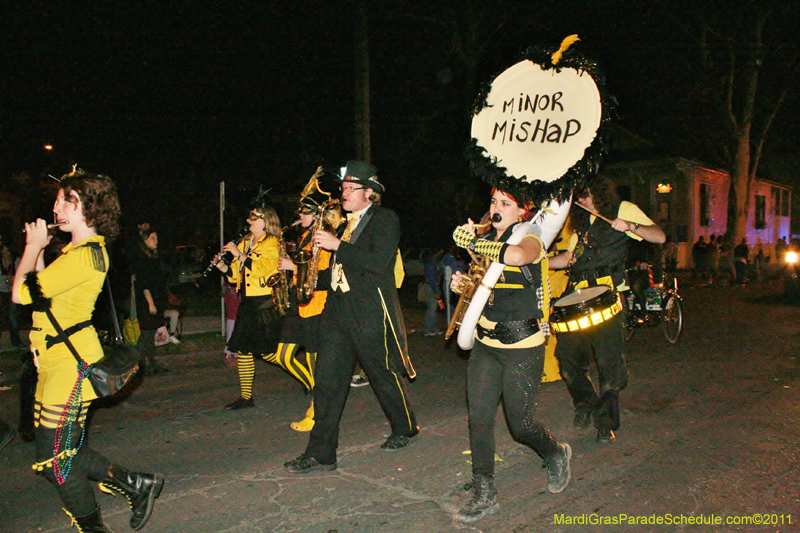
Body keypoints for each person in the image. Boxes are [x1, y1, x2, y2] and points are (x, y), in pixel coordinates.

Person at [12, 170, 163, 532]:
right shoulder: (76, 252)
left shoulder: (86, 255)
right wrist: (43, 250)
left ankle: (94, 527)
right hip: (53, 361)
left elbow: (20, 294)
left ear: (90, 210)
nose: (56, 206)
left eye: (67, 200)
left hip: (71, 366)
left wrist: (32, 246)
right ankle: (135, 484)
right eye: (58, 199)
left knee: (56, 462)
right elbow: (44, 293)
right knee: (62, 453)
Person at [284, 160, 418, 474]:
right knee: (327, 383)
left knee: (381, 375)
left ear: (369, 193)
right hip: (337, 312)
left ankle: (405, 427)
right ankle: (321, 454)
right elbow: (335, 272)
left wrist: (336, 245)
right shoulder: (344, 225)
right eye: (343, 188)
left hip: (369, 311)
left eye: (348, 188)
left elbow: (378, 262)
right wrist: (300, 277)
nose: (342, 193)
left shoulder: (385, 219)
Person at [449, 187, 571, 523]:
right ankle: (484, 487)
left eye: (506, 203)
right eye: (493, 202)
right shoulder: (490, 243)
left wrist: (473, 242)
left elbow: (515, 258)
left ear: (522, 211)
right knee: (479, 418)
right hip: (486, 344)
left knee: (521, 425)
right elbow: (488, 291)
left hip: (521, 348)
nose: (497, 208)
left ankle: (555, 452)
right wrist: (464, 286)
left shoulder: (532, 237)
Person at [550, 175, 665, 444]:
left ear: (599, 192)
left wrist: (632, 226)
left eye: (585, 193)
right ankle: (586, 403)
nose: (581, 200)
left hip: (608, 297)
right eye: (577, 196)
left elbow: (658, 236)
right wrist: (537, 260)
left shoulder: (622, 210)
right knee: (567, 361)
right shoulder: (580, 223)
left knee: (608, 364)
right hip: (576, 296)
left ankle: (605, 422)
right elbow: (569, 258)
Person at [273, 188, 342, 431]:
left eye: (304, 213)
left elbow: (324, 277)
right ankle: (317, 390)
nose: (299, 216)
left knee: (316, 364)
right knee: (282, 355)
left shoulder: (323, 237)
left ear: (317, 216)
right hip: (300, 305)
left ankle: (316, 412)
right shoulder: (304, 237)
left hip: (317, 306)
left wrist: (293, 266)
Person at [217, 203, 283, 410]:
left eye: (254, 219)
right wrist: (223, 267)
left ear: (266, 222)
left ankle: (310, 379)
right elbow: (238, 274)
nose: (250, 222)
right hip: (247, 301)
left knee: (269, 353)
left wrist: (238, 254)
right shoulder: (246, 242)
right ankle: (246, 398)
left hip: (264, 301)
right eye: (250, 219)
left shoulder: (272, 243)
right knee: (243, 350)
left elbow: (264, 269)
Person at [129, 227, 171, 374]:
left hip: (156, 300)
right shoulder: (142, 260)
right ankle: (139, 365)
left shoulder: (153, 258)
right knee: (146, 334)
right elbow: (144, 285)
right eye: (152, 238)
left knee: (151, 334)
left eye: (156, 238)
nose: (156, 242)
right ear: (144, 241)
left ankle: (152, 363)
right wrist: (151, 303)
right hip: (148, 302)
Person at [1, 238, 23, 348]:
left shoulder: (16, 260)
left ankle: (16, 341)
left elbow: (21, 275)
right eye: (4, 250)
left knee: (12, 315)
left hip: (12, 291)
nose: (5, 253)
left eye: (8, 251)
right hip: (1, 290)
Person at [422, 249, 444, 336]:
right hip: (431, 287)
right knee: (431, 309)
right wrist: (436, 290)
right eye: (440, 252)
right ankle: (428, 330)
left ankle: (433, 328)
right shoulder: (431, 262)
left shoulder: (433, 261)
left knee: (433, 309)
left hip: (432, 286)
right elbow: (431, 278)